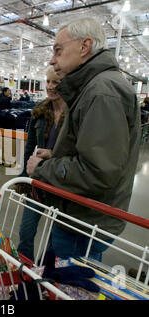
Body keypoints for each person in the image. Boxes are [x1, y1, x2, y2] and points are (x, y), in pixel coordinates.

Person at [26, 18, 140, 262]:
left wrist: (44, 168)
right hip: (82, 214)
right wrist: (56, 156)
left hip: (84, 219)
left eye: (58, 50)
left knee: (72, 286)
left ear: (84, 46)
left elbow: (98, 172)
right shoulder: (96, 88)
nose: (52, 60)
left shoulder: (102, 92)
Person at [17, 66, 66, 261]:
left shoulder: (75, 114)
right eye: (47, 81)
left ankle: (44, 274)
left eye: (55, 82)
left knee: (55, 238)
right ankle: (25, 270)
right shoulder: (39, 112)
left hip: (61, 181)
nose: (50, 86)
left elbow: (79, 152)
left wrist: (52, 154)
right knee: (26, 231)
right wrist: (24, 176)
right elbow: (29, 147)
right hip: (38, 180)